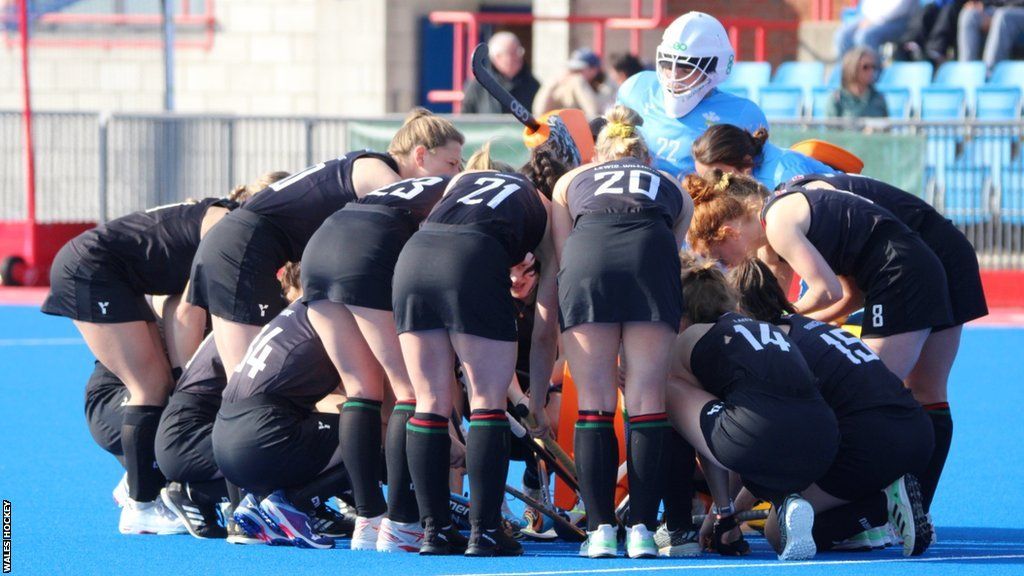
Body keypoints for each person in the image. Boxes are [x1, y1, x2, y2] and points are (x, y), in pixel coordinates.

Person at [686, 172, 957, 529]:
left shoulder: (779, 222)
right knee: (876, 390)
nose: (728, 267)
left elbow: (825, 292)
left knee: (867, 396)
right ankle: (871, 498)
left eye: (720, 256)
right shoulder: (782, 211)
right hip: (906, 267)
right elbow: (847, 296)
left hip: (901, 273)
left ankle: (880, 500)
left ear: (730, 233)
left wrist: (774, 325)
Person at [43, 171, 284, 535]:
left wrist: (181, 375)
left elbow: (179, 302)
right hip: (91, 268)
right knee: (151, 387)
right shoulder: (232, 229)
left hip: (107, 270)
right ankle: (140, 505)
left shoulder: (224, 223)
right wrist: (184, 384)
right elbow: (188, 312)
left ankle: (138, 483)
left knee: (160, 386)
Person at [187, 109, 464, 379]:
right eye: (452, 164)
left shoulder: (369, 163)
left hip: (234, 241)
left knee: (241, 381)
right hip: (243, 246)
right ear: (420, 154)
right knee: (247, 382)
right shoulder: (380, 174)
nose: (455, 173)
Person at [782, 172, 988, 521]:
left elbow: (844, 286)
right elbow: (853, 290)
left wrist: (788, 318)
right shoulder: (803, 196)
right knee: (919, 389)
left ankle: (898, 507)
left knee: (882, 391)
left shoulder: (790, 207)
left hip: (931, 259)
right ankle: (906, 508)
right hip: (933, 256)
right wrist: (814, 322)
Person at [392, 143, 566, 556]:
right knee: (488, 400)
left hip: (414, 258)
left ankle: (433, 530)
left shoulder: (463, 179)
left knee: (429, 401)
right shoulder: (550, 208)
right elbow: (543, 330)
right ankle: (485, 531)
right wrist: (537, 401)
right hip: (472, 256)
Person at [549, 105, 692, 559]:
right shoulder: (673, 187)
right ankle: (644, 531)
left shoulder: (570, 182)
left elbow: (561, 251)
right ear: (645, 158)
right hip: (650, 263)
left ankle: (600, 530)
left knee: (594, 405)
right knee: (648, 401)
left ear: (599, 156)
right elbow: (671, 251)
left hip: (588, 260)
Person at [731, 257, 935, 557]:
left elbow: (778, 446)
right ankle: (880, 503)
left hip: (877, 444)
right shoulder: (807, 325)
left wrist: (729, 511)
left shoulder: (773, 349)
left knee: (780, 532)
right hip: (915, 430)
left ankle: (882, 504)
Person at [299, 173, 452, 552]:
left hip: (320, 246)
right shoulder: (468, 191)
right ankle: (402, 521)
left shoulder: (423, 183)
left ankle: (369, 519)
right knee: (411, 391)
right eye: (452, 157)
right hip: (367, 250)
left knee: (361, 389)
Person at [665, 255, 839, 561]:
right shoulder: (766, 328)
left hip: (758, 436)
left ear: (684, 312)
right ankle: (785, 500)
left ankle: (686, 523)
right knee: (741, 415)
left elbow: (702, 433)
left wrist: (724, 512)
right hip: (824, 441)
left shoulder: (691, 336)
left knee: (665, 389)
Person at [211, 300, 352, 549]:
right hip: (260, 436)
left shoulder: (294, 314)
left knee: (349, 424)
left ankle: (258, 503)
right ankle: (295, 502)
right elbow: (370, 398)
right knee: (370, 432)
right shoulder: (334, 309)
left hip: (223, 438)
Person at [616, 11, 767, 180]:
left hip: (700, 204)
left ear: (716, 68)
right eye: (667, 64)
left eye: (687, 69)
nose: (674, 76)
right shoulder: (636, 89)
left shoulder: (743, 114)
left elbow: (754, 186)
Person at [692, 124, 835, 189]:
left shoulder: (787, 173)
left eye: (716, 178)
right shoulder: (743, 181)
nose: (710, 187)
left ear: (745, 165)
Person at [461, 32, 541, 115]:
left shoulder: (533, 85)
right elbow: (466, 117)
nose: (519, 55)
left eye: (520, 51)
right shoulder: (479, 85)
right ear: (497, 57)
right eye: (513, 53)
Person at [533, 48, 616, 120]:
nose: (574, 73)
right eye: (572, 69)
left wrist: (580, 83)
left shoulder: (606, 84)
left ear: (593, 70)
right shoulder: (566, 85)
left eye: (579, 70)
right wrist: (552, 84)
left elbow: (594, 113)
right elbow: (539, 112)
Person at [834, 0, 918, 58]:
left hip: (900, 21)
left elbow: (900, 9)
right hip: (872, 18)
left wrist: (873, 20)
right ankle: (849, 73)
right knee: (843, 35)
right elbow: (867, 5)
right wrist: (869, 19)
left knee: (865, 36)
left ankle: (872, 73)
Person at [959, 1, 1024, 73]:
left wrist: (994, 18)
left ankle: (989, 74)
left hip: (1016, 9)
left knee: (1003, 16)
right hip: (999, 8)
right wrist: (982, 4)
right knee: (970, 15)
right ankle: (967, 73)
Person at [827, 47, 889, 119]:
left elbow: (886, 127)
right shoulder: (837, 99)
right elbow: (831, 129)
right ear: (852, 67)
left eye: (873, 67)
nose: (871, 71)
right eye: (865, 67)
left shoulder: (879, 98)